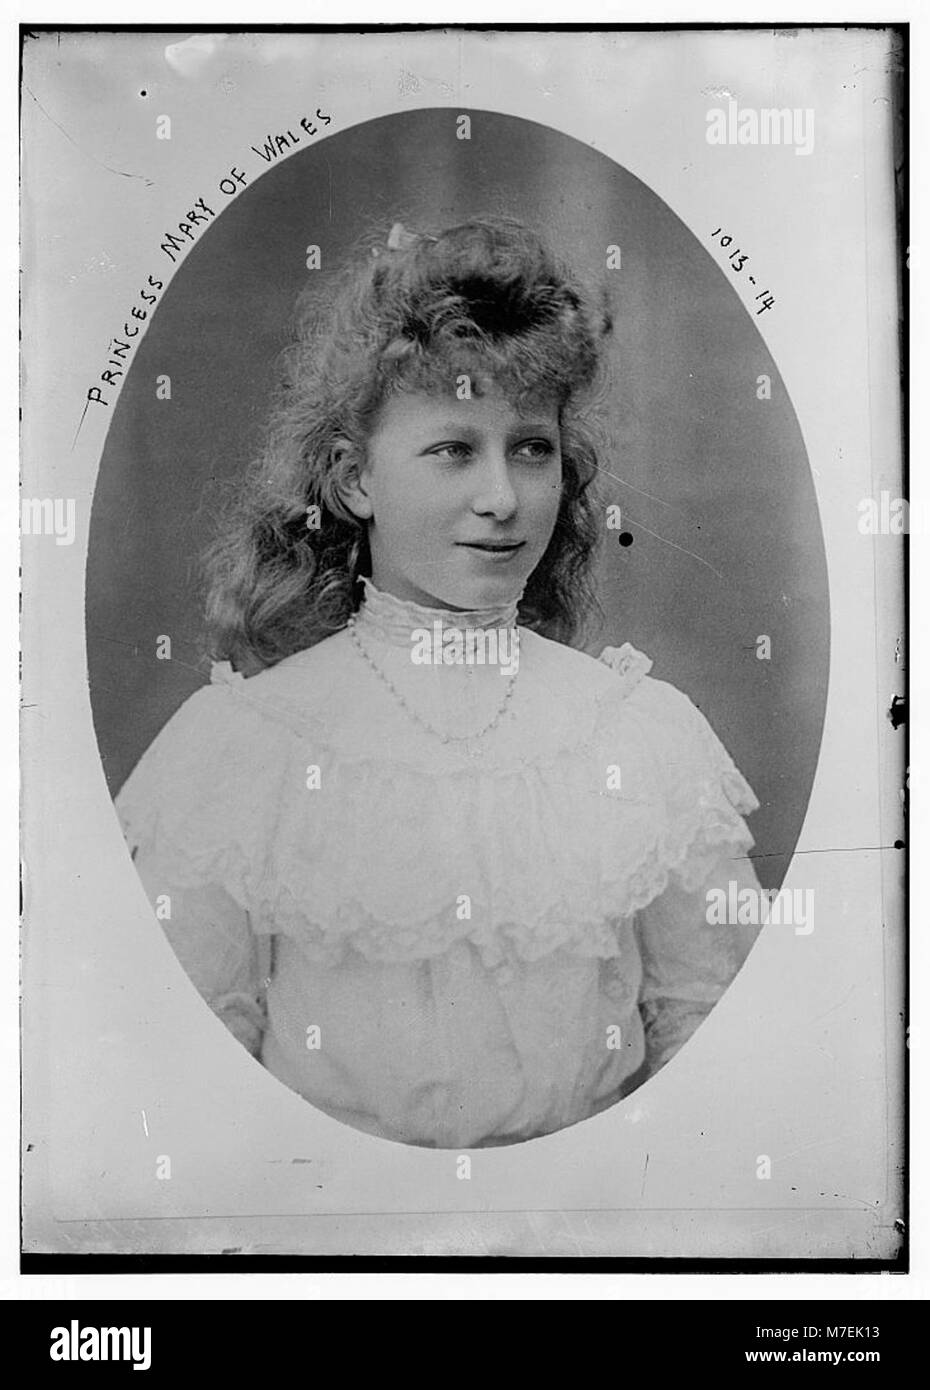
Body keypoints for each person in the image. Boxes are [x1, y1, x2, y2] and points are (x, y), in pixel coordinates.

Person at [116, 216, 763, 1149]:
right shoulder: (246, 748)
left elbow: (712, 1045)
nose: (501, 496)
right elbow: (183, 1086)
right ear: (354, 479)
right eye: (453, 449)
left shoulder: (639, 738)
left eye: (531, 447)